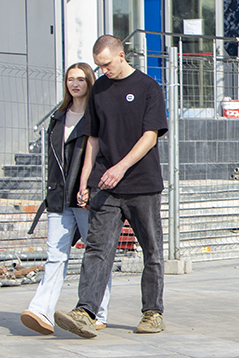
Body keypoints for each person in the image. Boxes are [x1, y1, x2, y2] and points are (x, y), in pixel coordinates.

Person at [54, 35, 168, 338]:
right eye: (99, 65)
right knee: (97, 249)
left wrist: (121, 167)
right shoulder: (100, 90)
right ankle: (85, 312)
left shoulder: (148, 87)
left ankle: (152, 312)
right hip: (104, 185)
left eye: (106, 64)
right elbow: (92, 138)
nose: (103, 70)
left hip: (142, 184)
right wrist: (84, 180)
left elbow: (150, 136)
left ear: (121, 55)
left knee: (152, 250)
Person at [20, 63, 112, 335]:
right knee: (55, 256)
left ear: (90, 82)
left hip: (86, 197)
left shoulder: (98, 116)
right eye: (70, 79)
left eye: (81, 79)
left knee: (95, 254)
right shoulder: (58, 117)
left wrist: (92, 187)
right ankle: (41, 311)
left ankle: (98, 312)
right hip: (59, 197)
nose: (75, 84)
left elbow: (101, 156)